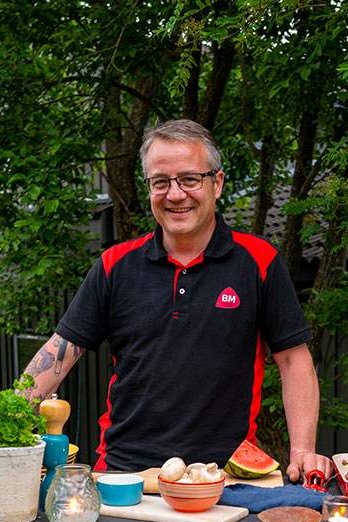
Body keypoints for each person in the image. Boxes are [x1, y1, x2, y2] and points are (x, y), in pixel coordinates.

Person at [22, 119, 331, 484]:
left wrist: (301, 451)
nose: (175, 194)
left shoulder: (259, 261)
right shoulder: (114, 265)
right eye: (161, 182)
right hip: (124, 474)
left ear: (216, 184)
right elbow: (60, 351)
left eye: (189, 179)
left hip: (225, 477)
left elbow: (294, 359)